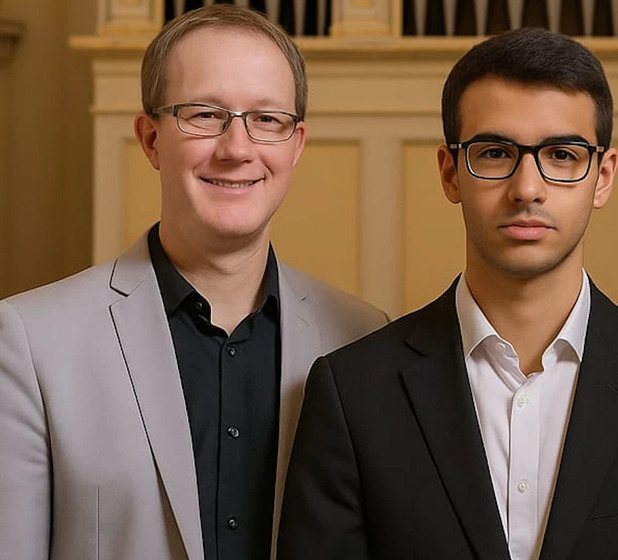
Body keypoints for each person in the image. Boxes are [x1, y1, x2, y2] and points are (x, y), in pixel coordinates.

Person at [277, 28, 618, 560]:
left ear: (603, 176)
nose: (527, 188)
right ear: (450, 172)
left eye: (562, 155)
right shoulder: (351, 391)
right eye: (495, 152)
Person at [0, 5, 387, 560]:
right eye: (203, 115)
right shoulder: (30, 342)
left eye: (267, 119)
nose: (236, 149)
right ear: (151, 139)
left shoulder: (361, 337)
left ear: (296, 145)